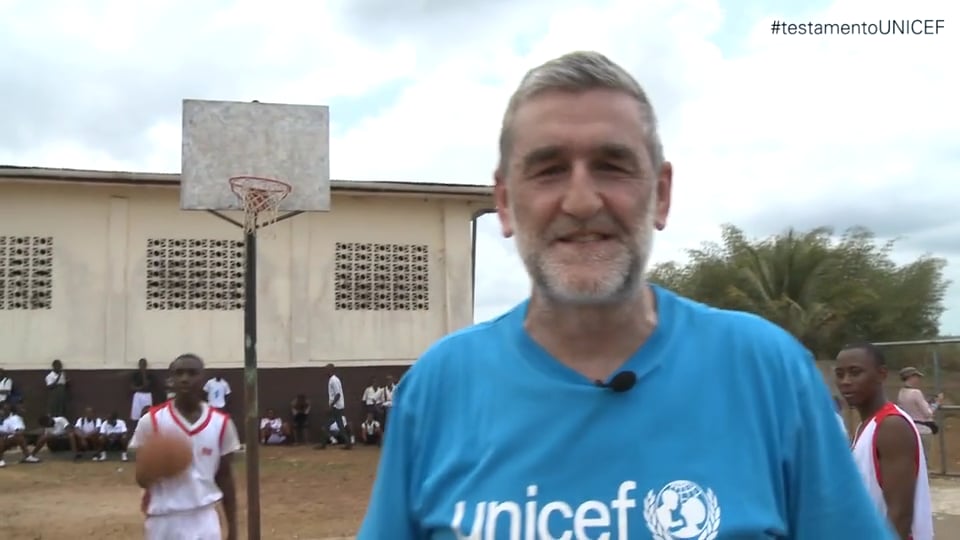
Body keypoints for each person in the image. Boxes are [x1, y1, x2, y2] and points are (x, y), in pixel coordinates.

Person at [358, 51, 895, 539]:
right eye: (548, 171)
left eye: (612, 166)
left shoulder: (768, 372)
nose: (582, 200)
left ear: (660, 195)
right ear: (503, 202)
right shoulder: (437, 389)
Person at [129, 353, 240, 540]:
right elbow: (141, 479)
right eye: (179, 373)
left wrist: (233, 528)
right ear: (171, 379)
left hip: (204, 519)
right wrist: (159, 465)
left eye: (192, 373)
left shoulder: (221, 423)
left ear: (202, 378)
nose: (185, 379)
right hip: (163, 520)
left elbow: (225, 477)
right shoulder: (152, 421)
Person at [836, 343, 934, 540]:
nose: (845, 381)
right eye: (840, 374)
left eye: (855, 373)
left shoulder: (891, 426)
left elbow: (900, 515)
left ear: (882, 374)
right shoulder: (866, 426)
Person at [130, 358, 155, 424]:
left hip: (147, 395)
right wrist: (140, 388)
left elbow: (147, 385)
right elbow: (132, 387)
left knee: (147, 414)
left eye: (144, 364)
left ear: (146, 365)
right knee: (136, 415)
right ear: (139, 365)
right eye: (141, 364)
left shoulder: (150, 374)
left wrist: (144, 373)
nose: (142, 365)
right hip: (137, 395)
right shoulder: (135, 374)